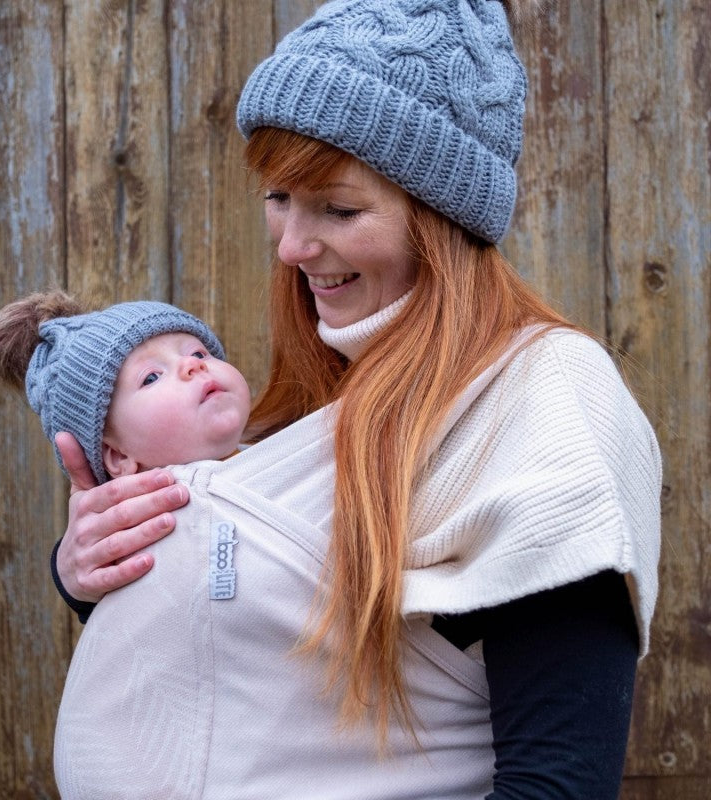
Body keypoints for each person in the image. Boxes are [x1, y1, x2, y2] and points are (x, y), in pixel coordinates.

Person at [48, 1, 662, 798]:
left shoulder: (542, 407)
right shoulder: (322, 388)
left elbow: (557, 783)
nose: (293, 245)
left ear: (440, 216)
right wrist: (93, 569)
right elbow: (253, 666)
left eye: (337, 208)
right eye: (278, 197)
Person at [0, 292, 251, 616]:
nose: (192, 365)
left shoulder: (289, 451)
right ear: (118, 456)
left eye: (199, 351)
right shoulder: (142, 536)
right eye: (151, 376)